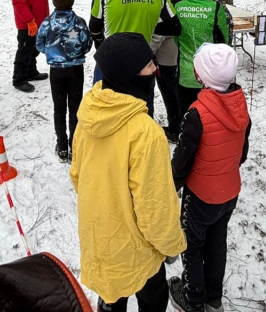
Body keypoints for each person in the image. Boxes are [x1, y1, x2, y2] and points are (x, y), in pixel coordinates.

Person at [70, 33, 187, 312]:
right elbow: (154, 206)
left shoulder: (88, 114)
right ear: (128, 75)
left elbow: (77, 175)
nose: (155, 69)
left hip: (100, 237)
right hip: (137, 248)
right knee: (152, 298)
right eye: (148, 65)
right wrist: (171, 245)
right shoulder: (146, 133)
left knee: (111, 297)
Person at [169, 44, 250, 312]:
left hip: (200, 195)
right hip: (229, 191)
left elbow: (183, 162)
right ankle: (214, 298)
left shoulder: (197, 113)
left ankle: (193, 298)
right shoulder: (240, 106)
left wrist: (172, 184)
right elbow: (242, 153)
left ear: (199, 76)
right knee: (217, 241)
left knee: (192, 244)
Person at [90, 0, 182, 112]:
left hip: (113, 60)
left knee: (108, 112)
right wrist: (147, 27)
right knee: (143, 111)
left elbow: (94, 27)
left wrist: (102, 44)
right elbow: (175, 28)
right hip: (143, 63)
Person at [36, 0, 93, 162]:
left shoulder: (46, 23)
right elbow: (87, 44)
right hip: (75, 70)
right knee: (75, 107)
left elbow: (39, 44)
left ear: (54, 2)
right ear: (71, 1)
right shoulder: (79, 23)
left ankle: (62, 147)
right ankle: (74, 147)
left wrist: (53, 54)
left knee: (59, 108)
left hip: (56, 71)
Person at [175, 0, 232, 114]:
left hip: (185, 74)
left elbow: (176, 39)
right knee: (209, 116)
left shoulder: (178, 6)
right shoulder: (215, 8)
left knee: (186, 115)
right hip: (210, 75)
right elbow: (223, 42)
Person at [151, 0, 187, 142]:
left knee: (168, 89)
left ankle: (174, 128)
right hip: (185, 47)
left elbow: (161, 27)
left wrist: (149, 51)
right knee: (181, 88)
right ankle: (184, 123)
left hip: (166, 50)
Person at [9, 0, 50, 93]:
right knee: (25, 49)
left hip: (38, 20)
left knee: (33, 48)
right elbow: (18, 1)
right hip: (27, 23)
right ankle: (19, 79)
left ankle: (31, 72)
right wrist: (29, 21)